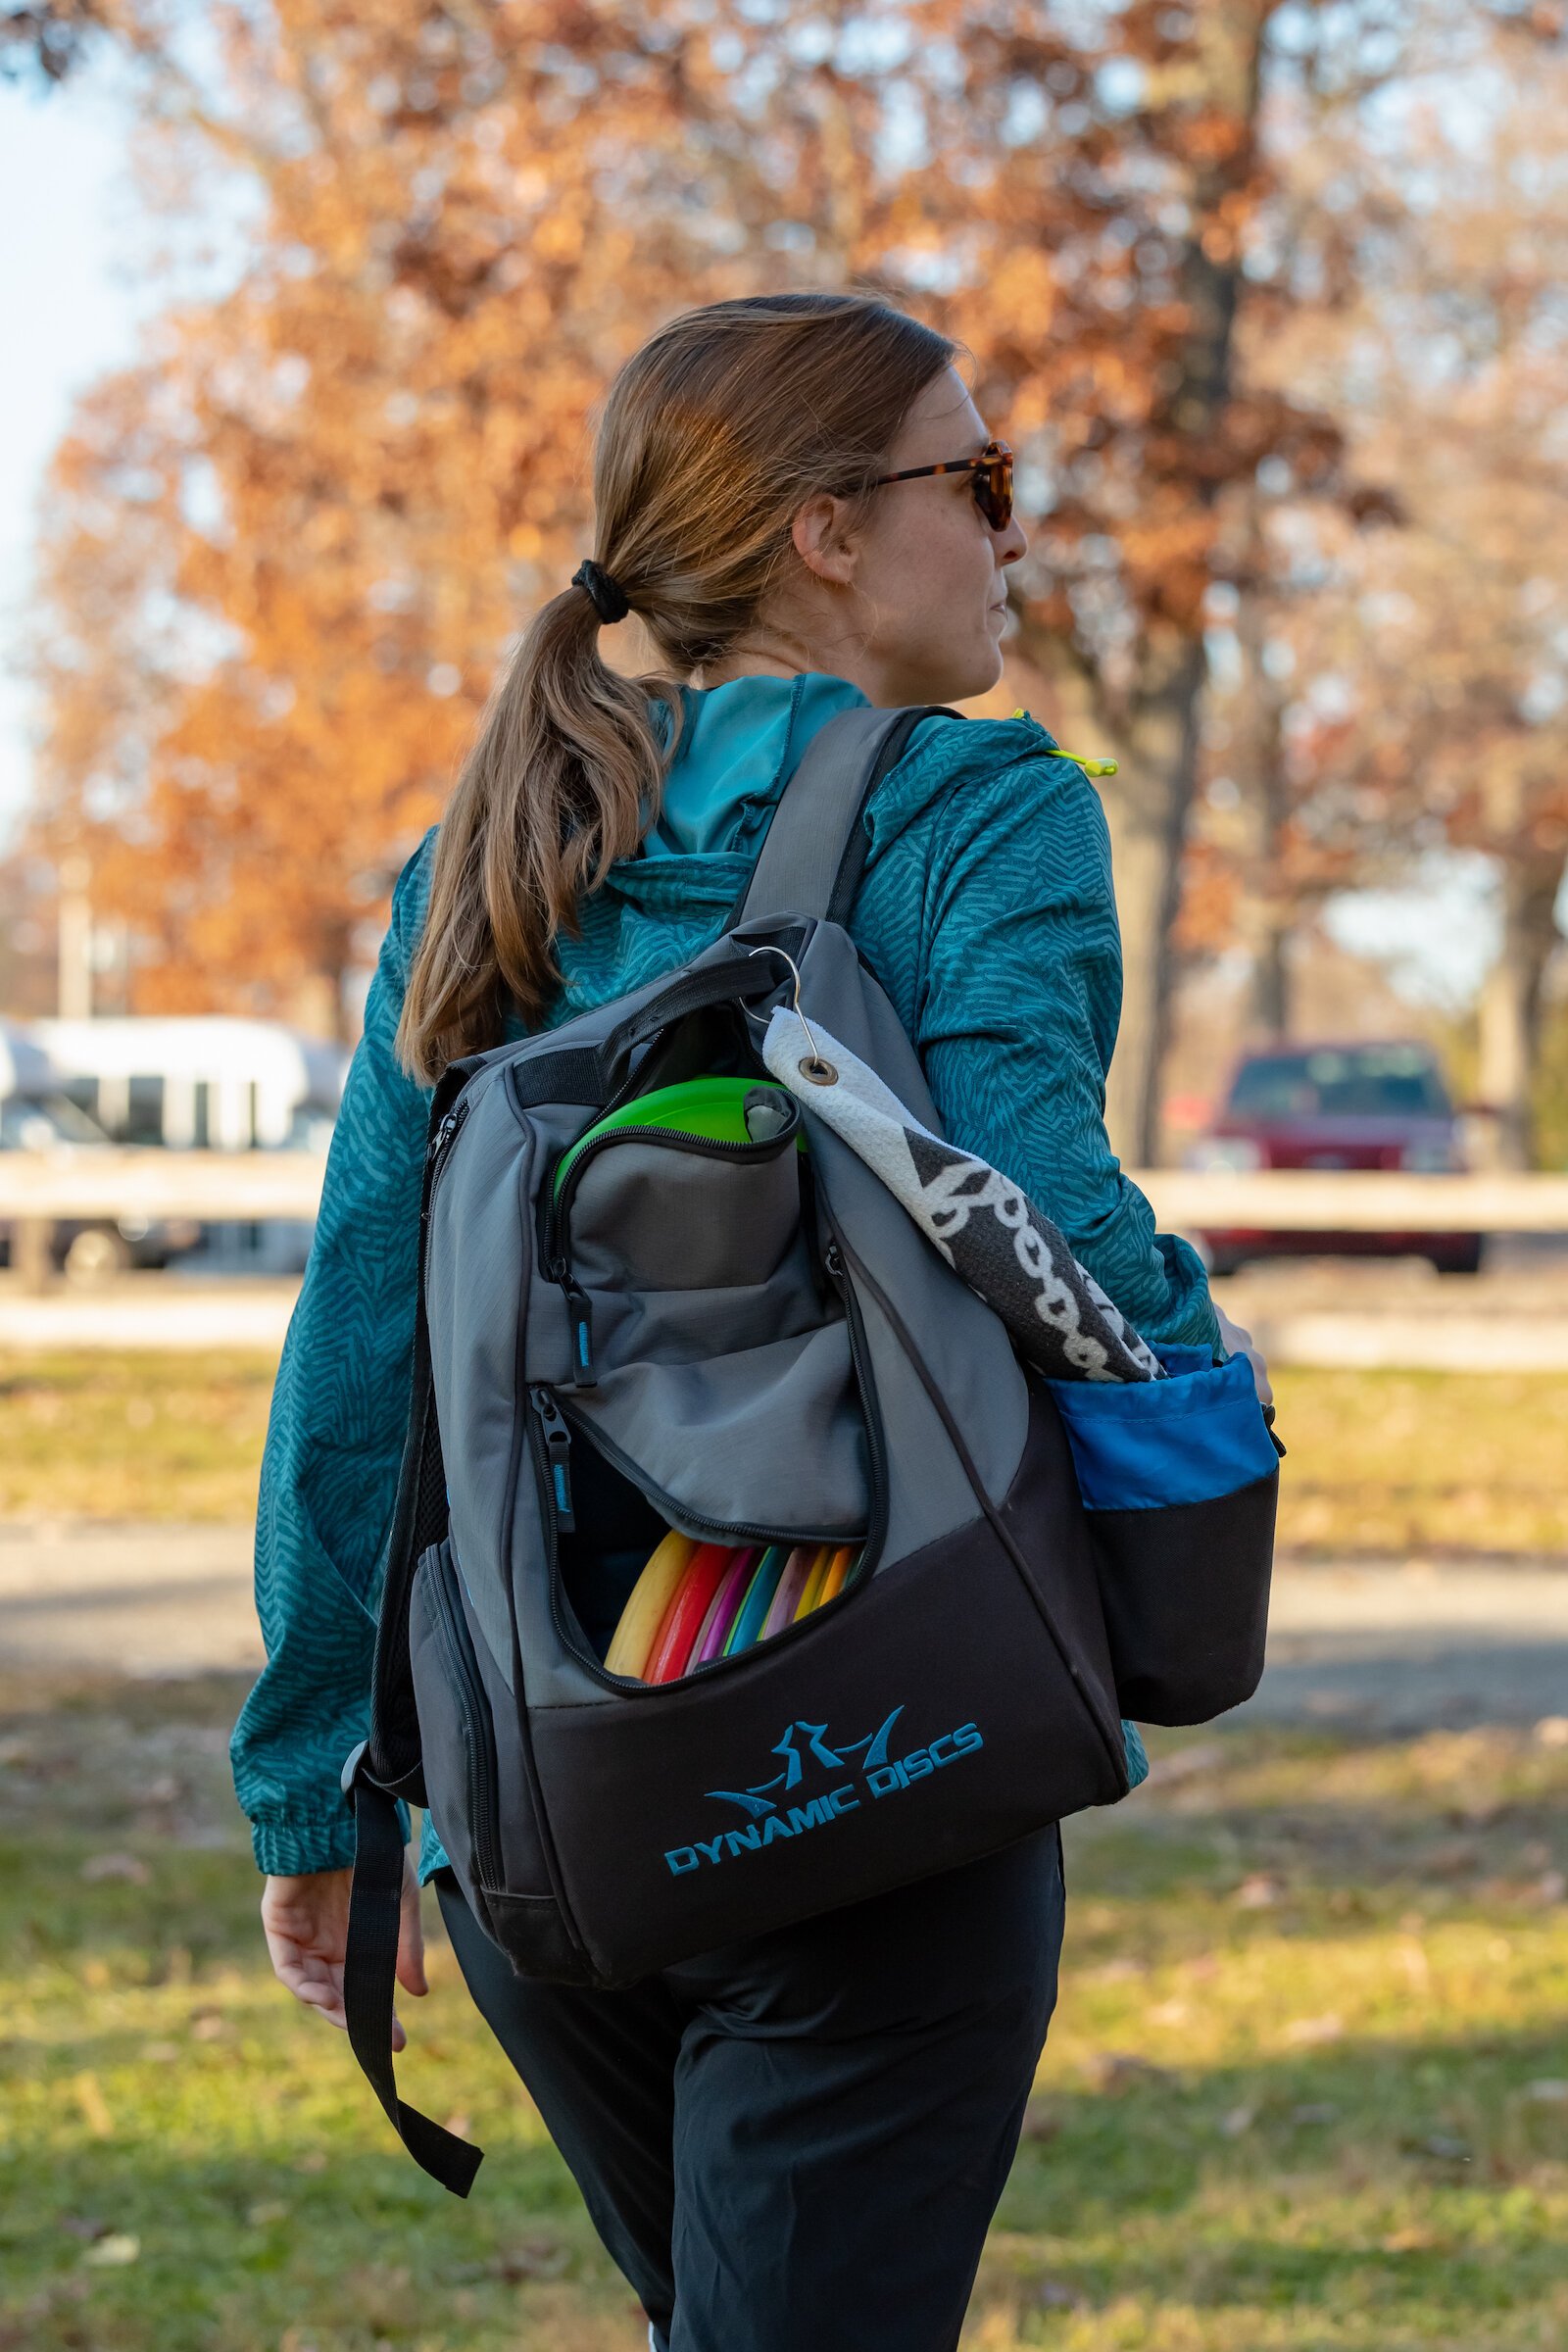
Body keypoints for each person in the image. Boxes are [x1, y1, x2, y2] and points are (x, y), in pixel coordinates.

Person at [232, 290, 1266, 2352]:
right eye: (973, 481)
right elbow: (1038, 1205)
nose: (1006, 533)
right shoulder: (973, 811)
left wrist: (317, 1787)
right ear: (821, 529)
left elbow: (359, 1346)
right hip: (873, 1762)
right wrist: (1196, 1451)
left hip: (531, 1809)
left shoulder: (486, 859)